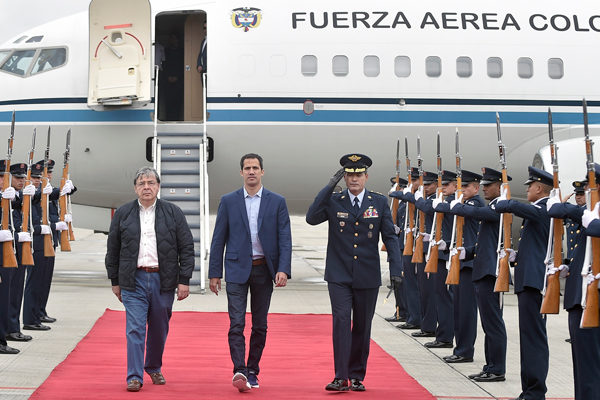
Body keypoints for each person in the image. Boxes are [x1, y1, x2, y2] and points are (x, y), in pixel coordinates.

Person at [306, 153, 401, 392]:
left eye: (358, 175)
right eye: (349, 175)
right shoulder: (334, 200)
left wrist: (396, 268)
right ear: (344, 177)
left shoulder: (378, 202)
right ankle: (341, 376)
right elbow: (310, 218)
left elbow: (389, 236)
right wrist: (328, 188)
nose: (354, 179)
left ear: (366, 177)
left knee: (361, 326)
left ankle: (357, 375)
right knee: (340, 322)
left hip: (367, 275)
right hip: (338, 275)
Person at [105, 167, 194, 392]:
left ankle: (153, 366)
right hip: (133, 280)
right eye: (142, 183)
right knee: (135, 328)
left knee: (159, 328)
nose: (147, 187)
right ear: (135, 188)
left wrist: (184, 280)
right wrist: (114, 280)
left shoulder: (173, 213)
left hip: (162, 280)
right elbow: (112, 249)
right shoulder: (123, 214)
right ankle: (134, 376)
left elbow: (186, 247)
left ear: (158, 186)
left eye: (151, 182)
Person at [209, 153, 291, 392]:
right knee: (236, 324)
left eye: (255, 168)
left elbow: (285, 238)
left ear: (262, 172)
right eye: (247, 168)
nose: (251, 171)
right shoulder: (229, 200)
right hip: (236, 270)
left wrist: (283, 269)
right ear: (241, 172)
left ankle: (253, 369)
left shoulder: (277, 201)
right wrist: (215, 272)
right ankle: (239, 369)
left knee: (260, 325)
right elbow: (218, 239)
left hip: (264, 270)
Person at [440, 167, 508, 381]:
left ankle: (497, 368)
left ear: (500, 187)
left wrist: (457, 205)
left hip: (490, 272)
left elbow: (481, 214)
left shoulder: (498, 207)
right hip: (481, 269)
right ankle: (491, 366)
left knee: (493, 324)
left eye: (489, 186)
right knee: (488, 323)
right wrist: (466, 252)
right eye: (484, 186)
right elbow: (483, 243)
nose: (485, 190)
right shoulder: (492, 206)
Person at [494, 166, 551, 400]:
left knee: (534, 338)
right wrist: (518, 255)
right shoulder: (540, 210)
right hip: (528, 279)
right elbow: (536, 244)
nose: (526, 190)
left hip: (534, 282)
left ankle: (535, 391)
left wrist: (502, 198)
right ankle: (529, 389)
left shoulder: (545, 208)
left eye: (530, 186)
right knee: (529, 338)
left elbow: (511, 207)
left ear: (539, 188)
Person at [546, 165, 600, 400]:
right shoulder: (588, 212)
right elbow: (558, 211)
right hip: (580, 297)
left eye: (589, 186)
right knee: (581, 361)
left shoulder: (592, 215)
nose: (586, 191)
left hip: (594, 297)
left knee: (592, 362)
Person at [434, 170, 483, 364]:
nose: (462, 190)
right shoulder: (462, 204)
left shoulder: (475, 204)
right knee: (458, 309)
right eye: (461, 187)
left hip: (470, 263)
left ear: (476, 189)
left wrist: (453, 201)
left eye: (466, 187)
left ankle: (465, 350)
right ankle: (460, 348)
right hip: (460, 261)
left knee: (466, 311)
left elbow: (463, 211)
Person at [391, 171, 438, 338]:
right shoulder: (416, 199)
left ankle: (422, 321)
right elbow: (394, 195)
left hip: (426, 249)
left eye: (426, 184)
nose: (424, 187)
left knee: (426, 290)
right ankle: (414, 317)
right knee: (412, 284)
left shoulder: (431, 201)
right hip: (412, 246)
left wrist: (409, 193)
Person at [5, 163, 34, 343]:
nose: (22, 181)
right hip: (9, 248)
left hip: (18, 247)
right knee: (8, 293)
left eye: (23, 178)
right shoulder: (7, 197)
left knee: (16, 291)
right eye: (18, 178)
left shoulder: (18, 197)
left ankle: (13, 327)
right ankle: (8, 328)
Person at [0, 159, 20, 354]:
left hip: (5, 249)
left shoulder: (7, 195)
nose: (2, 180)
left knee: (5, 296)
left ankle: (2, 338)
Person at [384, 176, 408, 323]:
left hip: (401, 247)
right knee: (398, 285)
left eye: (396, 187)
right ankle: (400, 311)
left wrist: (400, 231)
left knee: (402, 283)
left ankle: (403, 312)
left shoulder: (405, 205)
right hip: (397, 246)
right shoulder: (398, 204)